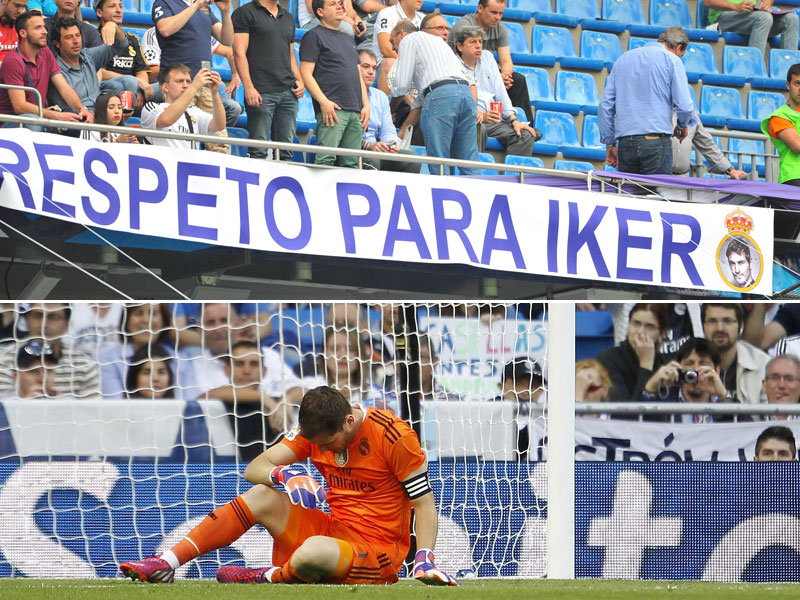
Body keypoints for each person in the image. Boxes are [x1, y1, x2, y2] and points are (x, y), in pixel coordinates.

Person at [119, 385, 459, 586]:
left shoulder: (394, 436)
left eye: (330, 444)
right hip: (334, 530)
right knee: (263, 495)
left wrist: (425, 558)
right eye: (319, 446)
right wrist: (284, 475)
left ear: (349, 420)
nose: (323, 452)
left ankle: (268, 578)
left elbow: (423, 504)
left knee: (313, 551)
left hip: (377, 552)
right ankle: (166, 563)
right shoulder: (316, 432)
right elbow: (255, 468)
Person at [389, 12, 480, 176]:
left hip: (441, 97)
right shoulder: (441, 44)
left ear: (401, 34)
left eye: (392, 41)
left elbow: (402, 86)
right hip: (466, 95)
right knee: (469, 163)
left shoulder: (409, 39)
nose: (393, 47)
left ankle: (444, 200)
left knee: (439, 163)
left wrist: (391, 107)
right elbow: (425, 95)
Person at [598, 26, 694, 175]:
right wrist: (682, 125)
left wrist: (610, 142)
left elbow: (605, 105)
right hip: (656, 142)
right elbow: (685, 105)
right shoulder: (672, 60)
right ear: (679, 47)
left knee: (629, 196)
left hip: (625, 143)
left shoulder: (623, 59)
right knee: (655, 196)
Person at [152, 0, 235, 151]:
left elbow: (227, 40)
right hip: (178, 84)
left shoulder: (206, 9)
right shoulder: (164, 2)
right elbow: (165, 28)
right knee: (181, 137)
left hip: (205, 81)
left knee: (219, 143)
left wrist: (225, 12)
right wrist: (195, 6)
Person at [299, 0, 369, 168]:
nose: (340, 6)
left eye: (340, 3)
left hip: (355, 110)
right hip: (333, 109)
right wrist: (324, 102)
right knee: (325, 161)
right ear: (320, 12)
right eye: (333, 4)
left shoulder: (349, 39)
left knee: (351, 165)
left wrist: (366, 105)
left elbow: (358, 75)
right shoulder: (314, 35)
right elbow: (306, 73)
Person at [232, 0, 303, 161]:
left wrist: (299, 80)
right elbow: (238, 53)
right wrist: (249, 87)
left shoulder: (288, 17)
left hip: (288, 93)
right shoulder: (245, 13)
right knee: (258, 151)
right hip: (261, 91)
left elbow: (291, 55)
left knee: (286, 153)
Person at [455, 25, 539, 158]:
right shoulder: (453, 65)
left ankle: (511, 177)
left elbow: (501, 94)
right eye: (473, 42)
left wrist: (514, 120)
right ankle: (473, 174)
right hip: (472, 121)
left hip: (496, 122)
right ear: (460, 46)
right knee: (478, 128)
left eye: (480, 42)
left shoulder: (488, 57)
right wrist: (482, 116)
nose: (478, 46)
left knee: (524, 135)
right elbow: (458, 102)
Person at [0, 10, 90, 126]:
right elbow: (19, 106)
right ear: (23, 33)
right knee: (33, 121)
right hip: (11, 125)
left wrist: (81, 108)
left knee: (76, 119)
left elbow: (63, 87)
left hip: (39, 117)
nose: (45, 31)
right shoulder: (13, 60)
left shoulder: (45, 52)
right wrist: (57, 116)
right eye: (38, 28)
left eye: (43, 27)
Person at [139, 25, 241, 127]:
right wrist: (185, 73)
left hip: (199, 87)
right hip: (167, 84)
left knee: (233, 108)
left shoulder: (198, 31)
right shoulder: (155, 33)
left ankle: (204, 138)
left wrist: (235, 75)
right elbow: (151, 72)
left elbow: (230, 52)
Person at [449, 0, 533, 124]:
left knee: (518, 80)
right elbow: (455, 60)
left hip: (488, 70)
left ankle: (523, 124)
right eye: (494, 12)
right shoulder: (464, 26)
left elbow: (506, 61)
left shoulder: (500, 28)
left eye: (500, 13)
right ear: (480, 8)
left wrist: (504, 77)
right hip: (464, 71)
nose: (497, 17)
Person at [0, 303, 100, 397]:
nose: (44, 324)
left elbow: (92, 412)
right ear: (27, 319)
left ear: (67, 324)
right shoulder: (4, 359)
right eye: (38, 315)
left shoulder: (84, 365)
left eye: (53, 317)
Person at [642, 337, 747, 423]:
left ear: (717, 370)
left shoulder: (724, 403)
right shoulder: (665, 402)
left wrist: (724, 395)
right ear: (678, 368)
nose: (695, 369)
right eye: (689, 363)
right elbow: (631, 430)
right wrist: (650, 389)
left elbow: (750, 432)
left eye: (703, 363)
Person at [49, 15, 129, 115]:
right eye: (69, 37)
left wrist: (113, 26)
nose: (76, 41)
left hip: (100, 117)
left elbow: (122, 44)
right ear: (57, 43)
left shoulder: (88, 56)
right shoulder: (54, 68)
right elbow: (67, 109)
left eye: (78, 36)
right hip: (76, 121)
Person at [357, 48, 420, 173]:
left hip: (377, 149)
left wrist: (390, 143)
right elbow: (348, 137)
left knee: (413, 161)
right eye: (365, 66)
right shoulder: (344, 94)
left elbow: (388, 130)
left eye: (374, 68)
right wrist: (371, 146)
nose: (371, 72)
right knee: (372, 161)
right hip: (356, 149)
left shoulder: (380, 96)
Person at [301, 326, 392, 410]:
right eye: (335, 349)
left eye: (350, 349)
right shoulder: (308, 385)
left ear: (360, 355)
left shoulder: (376, 394)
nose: (343, 355)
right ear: (324, 354)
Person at [140, 62, 225, 149]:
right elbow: (166, 120)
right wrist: (194, 87)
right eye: (179, 81)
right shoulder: (151, 107)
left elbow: (219, 125)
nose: (185, 85)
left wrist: (214, 93)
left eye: (188, 82)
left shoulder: (193, 111)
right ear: (166, 87)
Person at [597, 303, 668, 404]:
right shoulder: (609, 359)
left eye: (649, 327)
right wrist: (646, 366)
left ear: (662, 334)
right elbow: (623, 413)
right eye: (636, 323)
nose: (640, 332)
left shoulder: (664, 364)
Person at [701, 303, 769, 404]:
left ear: (741, 325)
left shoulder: (763, 364)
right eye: (712, 321)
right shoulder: (689, 362)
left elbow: (768, 418)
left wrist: (724, 396)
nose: (719, 328)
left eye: (727, 321)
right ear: (703, 326)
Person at [94, 0, 151, 110]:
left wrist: (138, 89)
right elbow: (99, 72)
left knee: (169, 88)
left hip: (134, 87)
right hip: (108, 88)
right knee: (121, 85)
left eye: (120, 6)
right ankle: (123, 117)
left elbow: (142, 71)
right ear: (99, 12)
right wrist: (135, 81)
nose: (118, 10)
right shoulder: (95, 37)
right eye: (112, 6)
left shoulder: (132, 39)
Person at [704, 0, 798, 57]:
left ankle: (791, 74)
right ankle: (754, 65)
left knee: (792, 18)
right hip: (724, 16)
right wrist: (736, 6)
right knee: (764, 18)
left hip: (750, 16)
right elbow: (708, 2)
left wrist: (767, 3)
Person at [671, 110, 744, 179]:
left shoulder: (691, 114)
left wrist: (731, 170)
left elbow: (707, 144)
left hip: (681, 179)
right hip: (660, 177)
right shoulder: (660, 110)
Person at [372, 0, 423, 94]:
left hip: (413, 66)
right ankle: (384, 106)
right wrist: (409, 65)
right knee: (390, 63)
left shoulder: (422, 18)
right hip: (382, 64)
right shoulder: (387, 13)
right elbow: (385, 49)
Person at [762, 63, 800, 186]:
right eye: (797, 83)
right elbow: (798, 146)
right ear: (788, 85)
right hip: (794, 177)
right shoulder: (780, 115)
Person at [762, 354, 800, 419]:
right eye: (775, 378)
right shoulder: (750, 419)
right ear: (764, 385)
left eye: (789, 379)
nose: (781, 385)